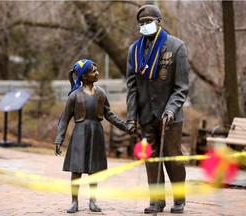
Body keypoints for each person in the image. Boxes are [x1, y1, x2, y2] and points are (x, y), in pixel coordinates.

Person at [126, 5, 189, 214]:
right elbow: (132, 87)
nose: (144, 25)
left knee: (172, 158)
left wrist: (171, 109)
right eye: (141, 23)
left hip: (170, 116)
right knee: (151, 160)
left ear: (159, 21)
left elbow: (181, 87)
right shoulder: (134, 50)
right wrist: (131, 117)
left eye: (148, 21)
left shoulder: (176, 46)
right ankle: (156, 201)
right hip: (146, 115)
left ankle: (179, 199)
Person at [55, 59, 134, 213]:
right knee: (76, 170)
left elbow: (109, 114)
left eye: (97, 70)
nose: (97, 73)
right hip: (79, 134)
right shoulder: (74, 96)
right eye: (93, 71)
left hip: (96, 133)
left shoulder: (101, 93)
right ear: (84, 76)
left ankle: (92, 201)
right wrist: (59, 139)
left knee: (94, 170)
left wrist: (125, 126)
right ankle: (74, 202)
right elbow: (65, 119)